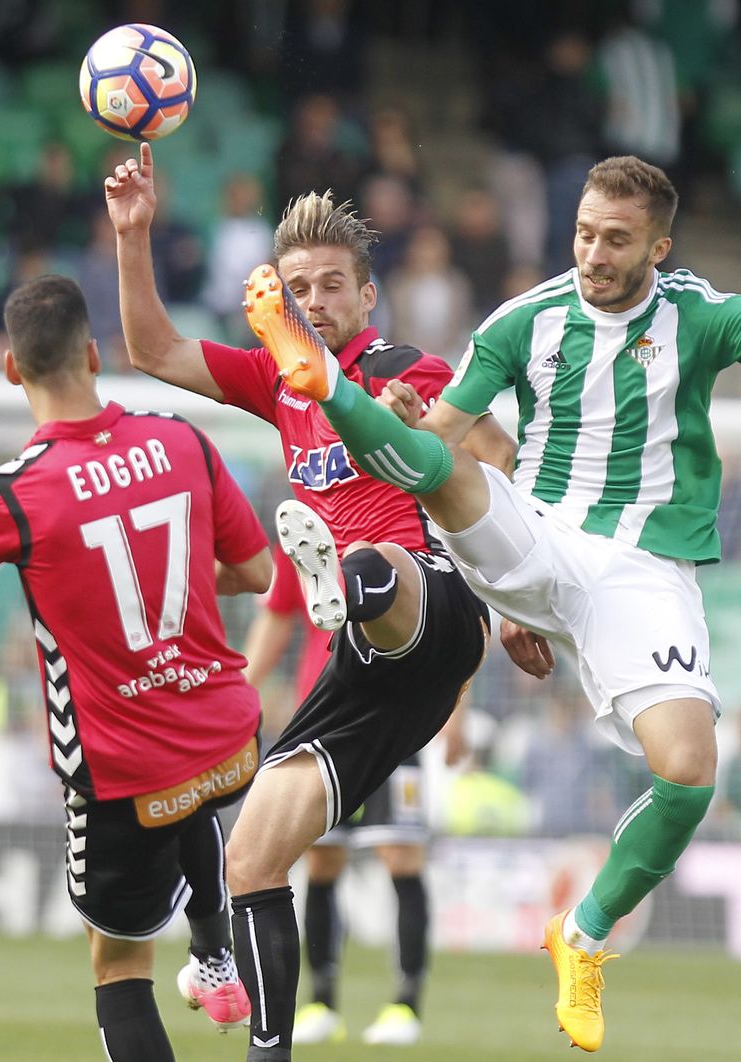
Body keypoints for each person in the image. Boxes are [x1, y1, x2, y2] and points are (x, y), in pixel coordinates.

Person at [230, 153, 741, 1052]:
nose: (594, 254)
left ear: (658, 247)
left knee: (688, 774)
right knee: (442, 467)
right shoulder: (523, 321)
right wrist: (401, 421)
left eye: (616, 239)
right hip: (535, 532)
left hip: (642, 573)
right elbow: (444, 434)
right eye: (583, 233)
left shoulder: (699, 315)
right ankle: (321, 390)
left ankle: (581, 935)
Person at [105, 144, 498, 1062]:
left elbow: (499, 457)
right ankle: (270, 1052)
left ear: (366, 297)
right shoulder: (276, 379)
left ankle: (345, 583)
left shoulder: (404, 366)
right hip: (362, 671)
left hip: (432, 603)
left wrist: (428, 437)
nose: (314, 301)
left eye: (330, 286)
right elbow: (153, 349)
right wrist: (133, 234)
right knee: (253, 856)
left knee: (371, 560)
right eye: (297, 289)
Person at [0, 274, 274, 1061]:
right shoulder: (182, 439)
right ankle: (214, 954)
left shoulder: (13, 493)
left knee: (118, 964)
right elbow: (256, 571)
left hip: (126, 776)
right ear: (95, 355)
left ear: (11, 368)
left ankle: (208, 957)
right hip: (232, 742)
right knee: (191, 786)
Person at [247, 548, 461, 1048]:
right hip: (323, 724)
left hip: (396, 720)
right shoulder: (300, 537)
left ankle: (406, 1003)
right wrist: (240, 694)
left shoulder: (401, 533)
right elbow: (276, 618)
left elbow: (451, 614)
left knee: (401, 855)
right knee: (321, 862)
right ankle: (321, 1002)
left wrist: (458, 712)